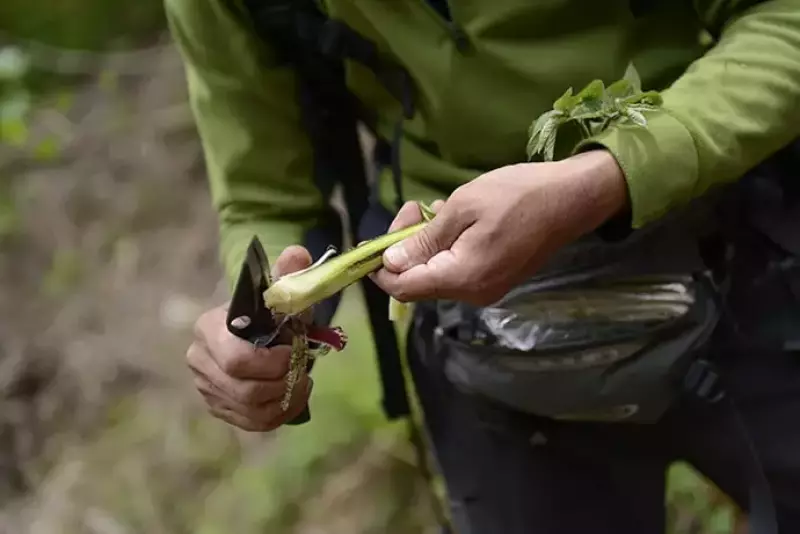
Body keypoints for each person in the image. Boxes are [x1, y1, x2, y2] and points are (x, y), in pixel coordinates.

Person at [165, 0, 800, 532]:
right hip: (473, 341)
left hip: (735, 231)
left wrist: (608, 174)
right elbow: (264, 193)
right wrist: (264, 320)